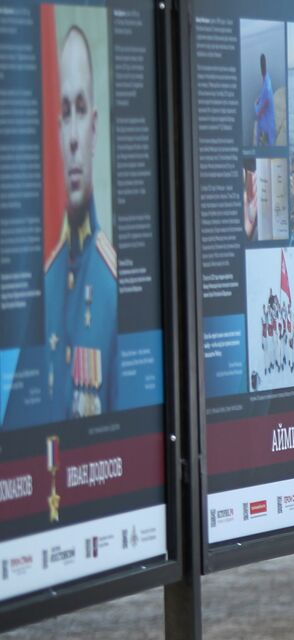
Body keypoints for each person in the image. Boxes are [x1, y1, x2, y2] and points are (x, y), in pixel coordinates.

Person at [44, 24, 117, 421]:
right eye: (65, 112)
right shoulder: (47, 280)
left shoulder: (113, 285)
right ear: (59, 133)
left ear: (93, 129)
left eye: (80, 110)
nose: (73, 137)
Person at [254, 52, 276, 145]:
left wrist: (255, 104)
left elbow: (259, 113)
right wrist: (259, 100)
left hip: (267, 129)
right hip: (269, 122)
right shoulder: (267, 79)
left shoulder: (266, 88)